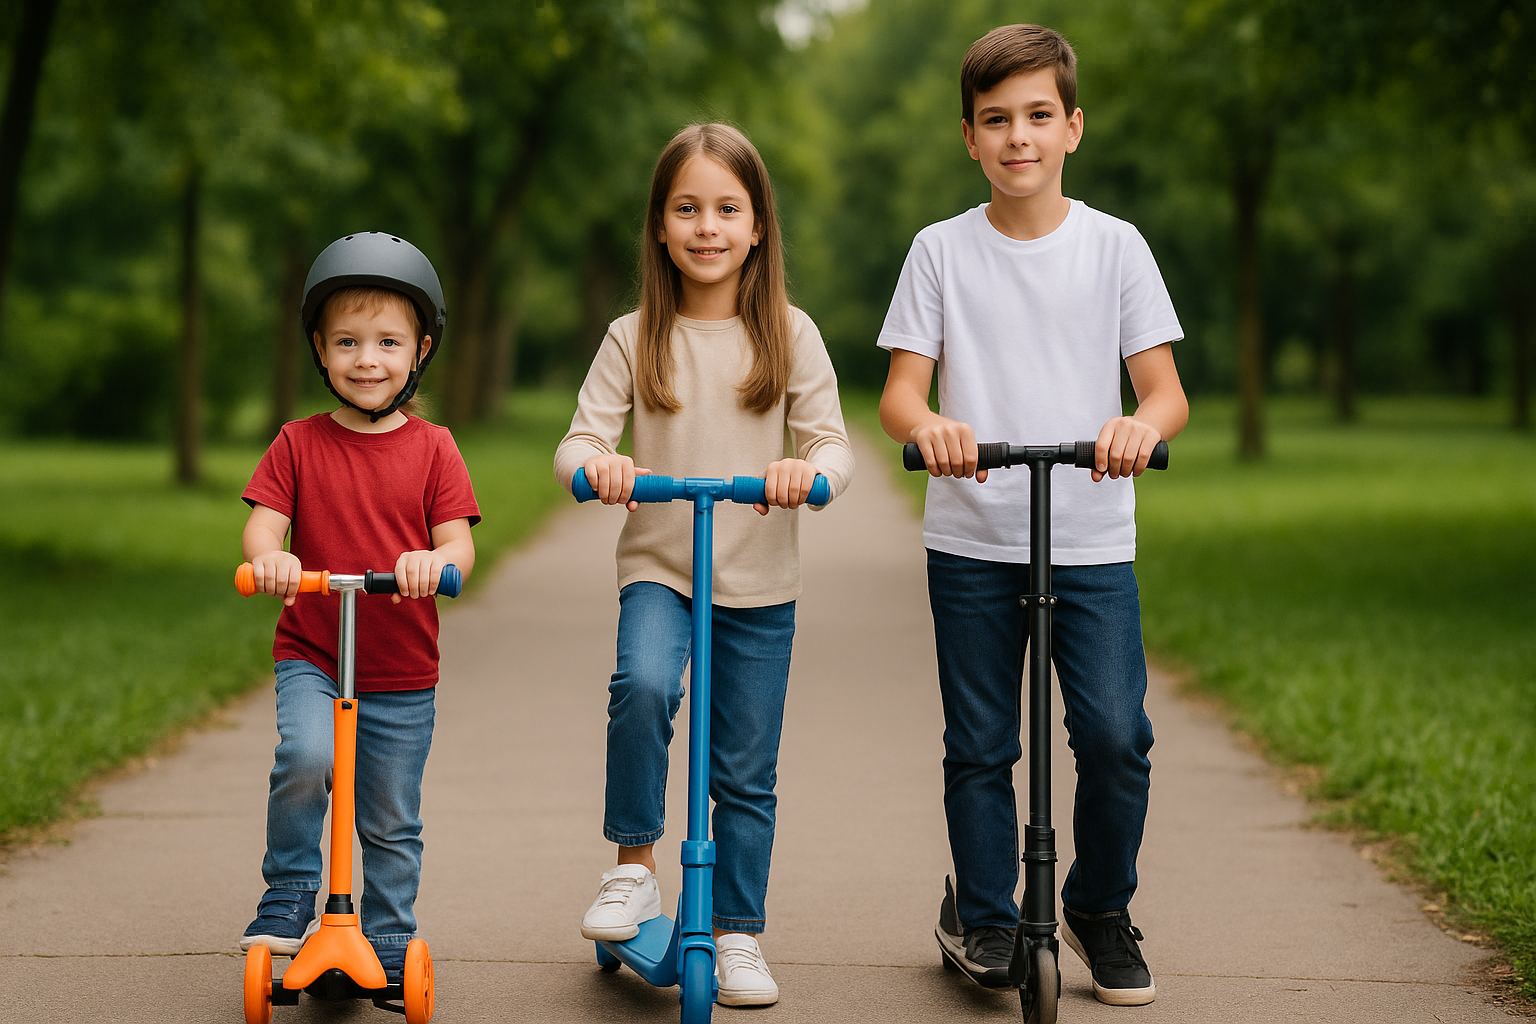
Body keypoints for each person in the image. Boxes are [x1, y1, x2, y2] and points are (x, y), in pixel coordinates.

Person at [877, 25, 1188, 1007]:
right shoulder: (940, 252)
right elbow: (899, 396)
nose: (1020, 137)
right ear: (968, 137)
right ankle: (985, 913)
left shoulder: (1116, 248)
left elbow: (1165, 393)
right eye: (997, 120)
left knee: (1113, 734)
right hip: (972, 534)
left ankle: (1097, 903)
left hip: (1091, 538)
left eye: (1039, 117)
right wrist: (933, 427)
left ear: (1073, 128)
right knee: (980, 742)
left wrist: (1136, 427)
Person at [553, 123, 854, 1007]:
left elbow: (833, 444)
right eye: (687, 208)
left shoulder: (791, 335)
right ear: (659, 225)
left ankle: (737, 932)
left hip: (761, 583)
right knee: (642, 687)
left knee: (744, 771)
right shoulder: (632, 334)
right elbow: (577, 440)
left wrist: (808, 476)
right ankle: (635, 868)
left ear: (759, 226)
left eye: (728, 208)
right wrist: (597, 467)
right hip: (664, 569)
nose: (708, 226)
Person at [237, 232, 480, 985]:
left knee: (389, 817)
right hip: (313, 651)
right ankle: (289, 892)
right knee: (307, 759)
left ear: (421, 351)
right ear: (319, 348)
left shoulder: (435, 449)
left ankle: (387, 937)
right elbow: (260, 525)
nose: (366, 359)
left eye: (386, 342)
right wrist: (270, 556)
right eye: (347, 341)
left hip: (401, 669)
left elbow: (459, 550)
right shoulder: (297, 443)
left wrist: (432, 563)